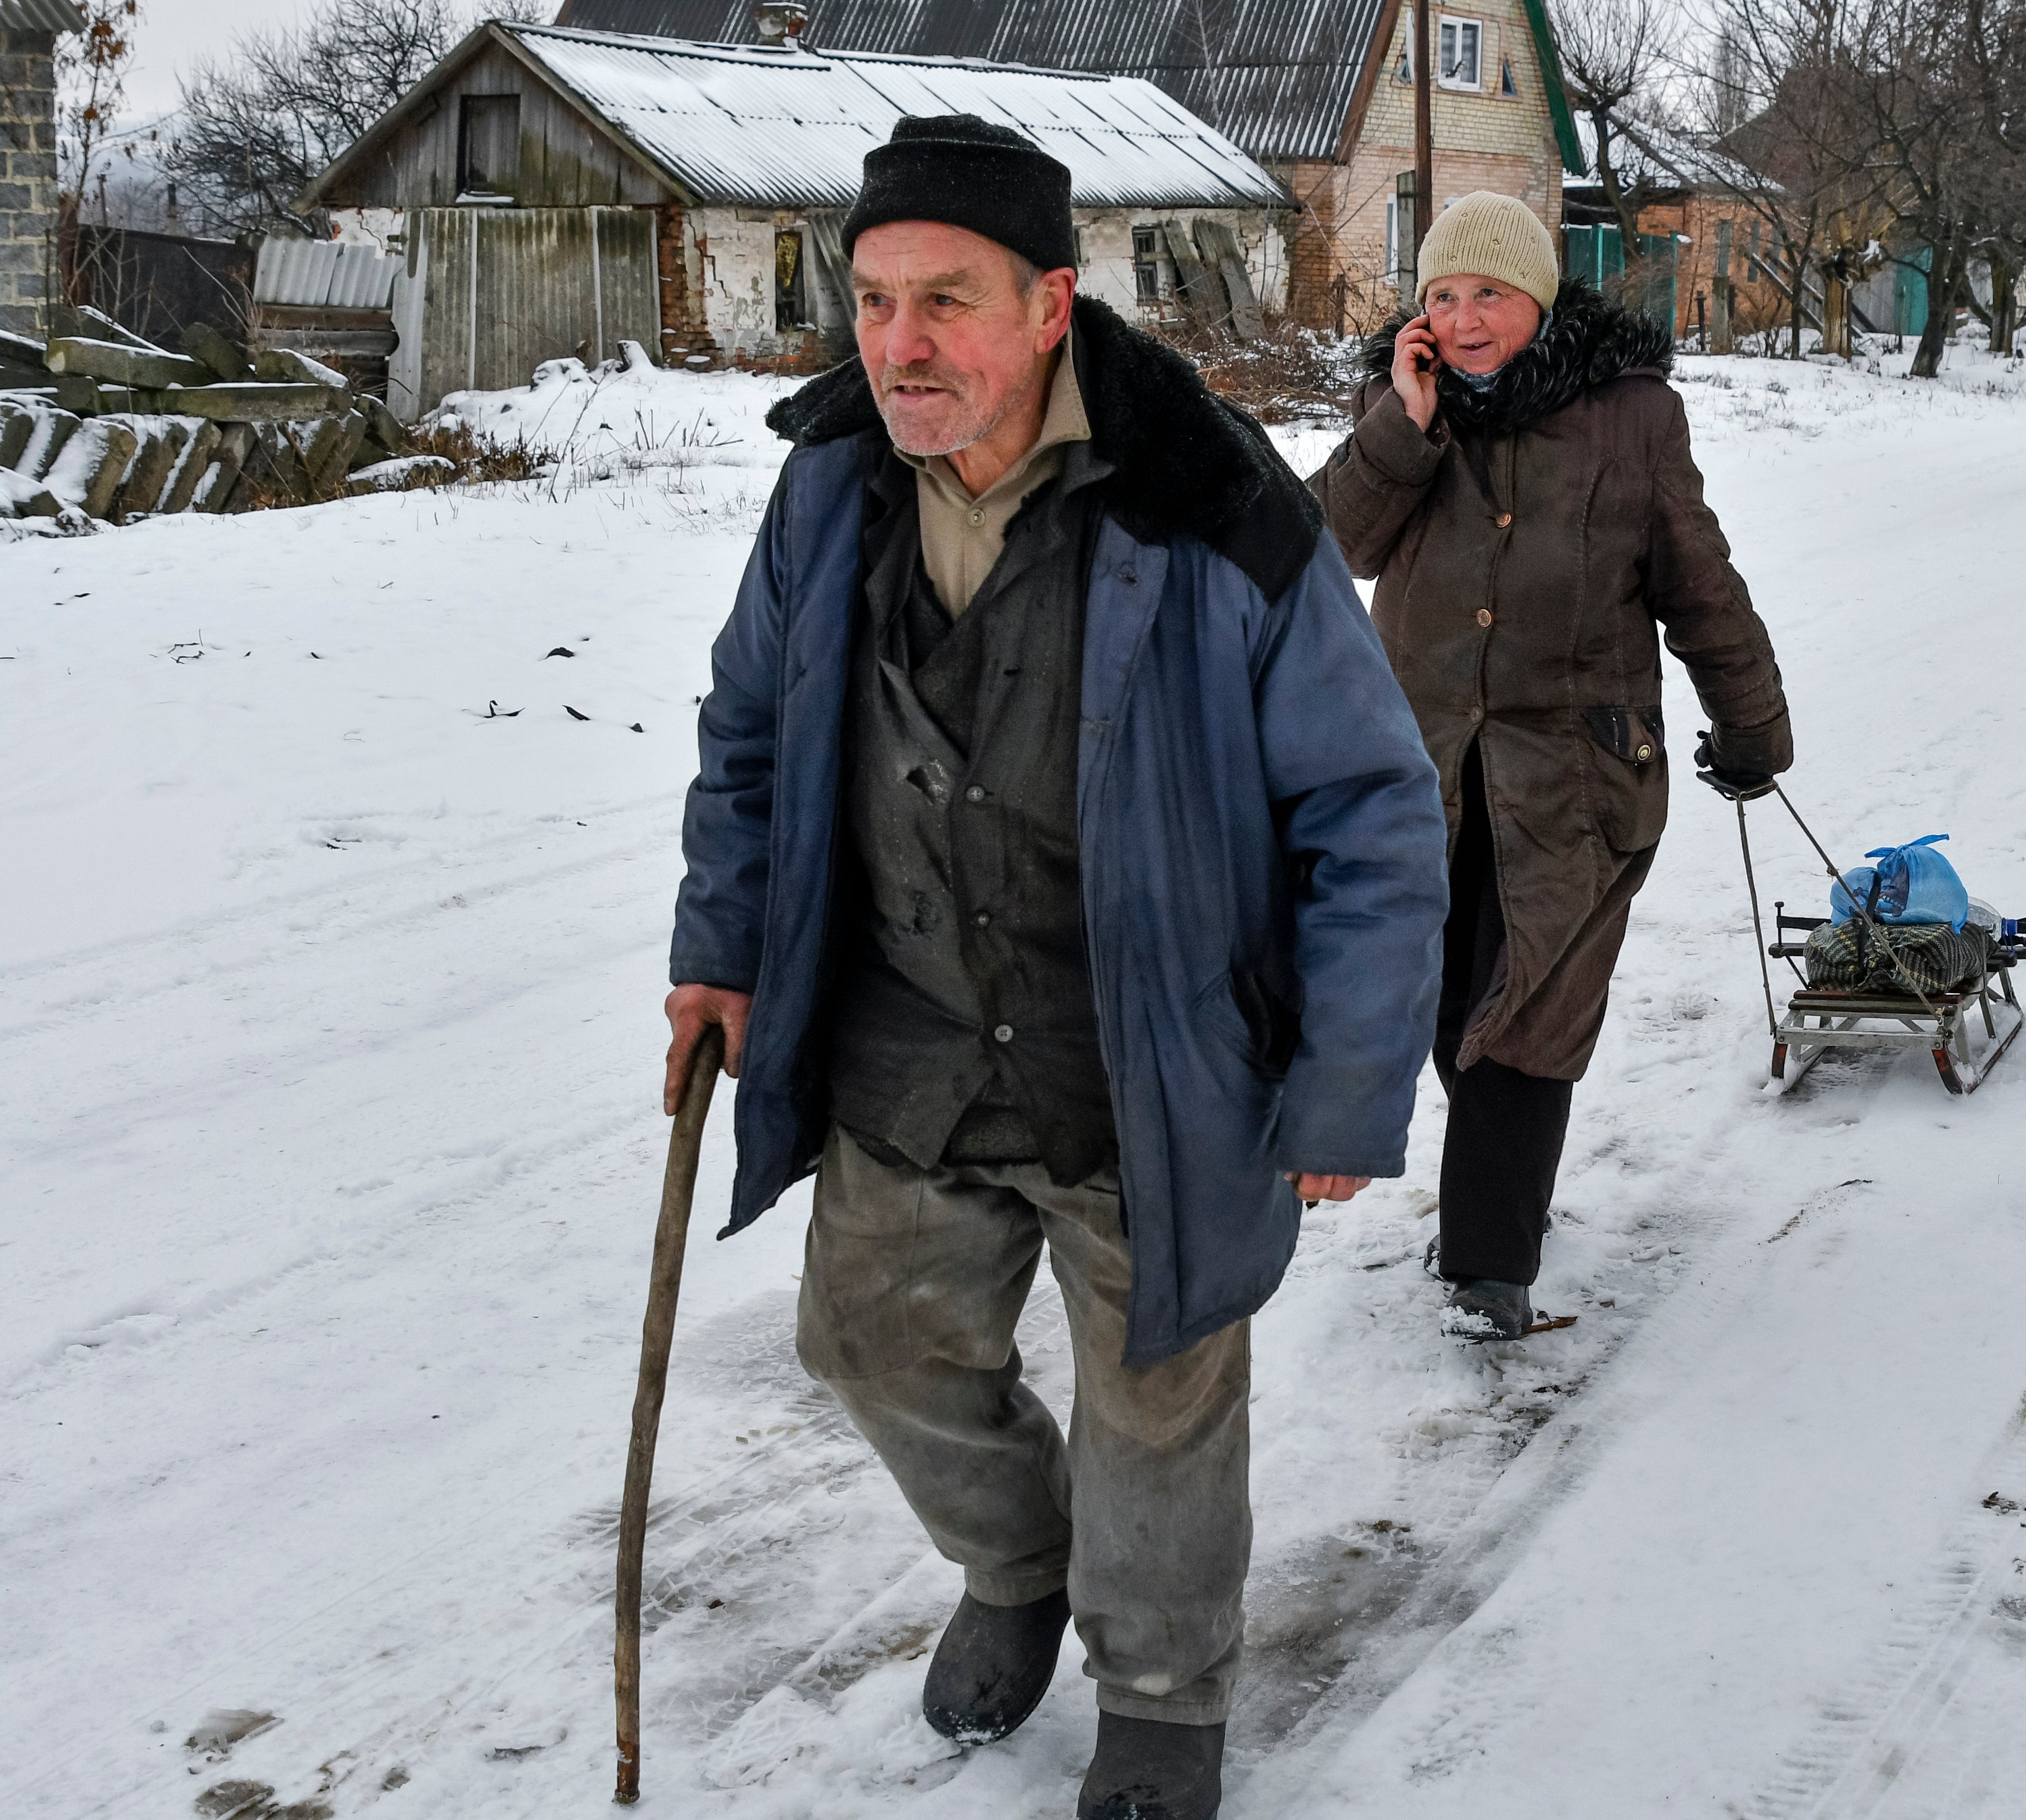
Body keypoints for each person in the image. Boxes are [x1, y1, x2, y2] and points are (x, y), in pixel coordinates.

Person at [662, 115, 1447, 1820]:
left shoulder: (1212, 503)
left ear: (1050, 306)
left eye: (946, 300)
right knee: (868, 1338)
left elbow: (1373, 804)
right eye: (872, 301)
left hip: (1151, 1063)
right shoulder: (828, 488)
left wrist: (1346, 1072)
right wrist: (719, 945)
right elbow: (750, 739)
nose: (899, 345)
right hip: (909, 1040)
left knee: (1160, 1401)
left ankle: (1164, 1686)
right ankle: (1021, 1564)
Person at [1309, 192, 1793, 1342]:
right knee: (1431, 996)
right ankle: (1497, 1204)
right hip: (1413, 769)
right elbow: (1326, 546)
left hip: (1573, 779)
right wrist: (1401, 427)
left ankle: (1488, 1264)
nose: (1466, 320)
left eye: (1490, 295)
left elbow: (1698, 585)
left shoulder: (1630, 419)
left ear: (1539, 298)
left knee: (1522, 1009)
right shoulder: (1404, 405)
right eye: (1442, 296)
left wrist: (1752, 728)